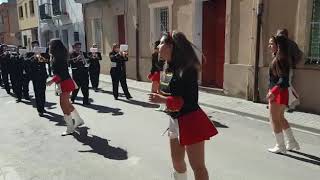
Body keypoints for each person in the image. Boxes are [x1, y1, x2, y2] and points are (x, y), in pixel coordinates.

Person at [149, 32, 218, 180]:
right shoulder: (168, 66)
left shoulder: (187, 69)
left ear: (171, 46)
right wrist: (160, 92)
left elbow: (188, 101)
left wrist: (162, 99)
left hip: (190, 120)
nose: (158, 47)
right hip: (174, 120)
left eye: (161, 43)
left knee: (198, 167)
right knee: (177, 162)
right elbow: (170, 92)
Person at [266, 35, 300, 154]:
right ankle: (291, 142)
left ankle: (280, 146)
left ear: (278, 46)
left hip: (278, 93)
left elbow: (283, 80)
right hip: (281, 93)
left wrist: (272, 92)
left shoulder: (280, 59)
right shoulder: (281, 57)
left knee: (274, 119)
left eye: (271, 44)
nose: (269, 46)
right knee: (280, 118)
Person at [47, 39, 84, 136]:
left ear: (54, 47)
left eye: (50, 45)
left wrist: (51, 81)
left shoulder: (57, 58)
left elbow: (61, 73)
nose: (49, 47)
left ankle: (70, 128)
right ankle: (78, 120)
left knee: (63, 105)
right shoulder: (59, 56)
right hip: (66, 82)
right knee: (66, 103)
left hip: (65, 83)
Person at [276, 28, 302, 112]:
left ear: (285, 35)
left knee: (287, 85)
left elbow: (298, 55)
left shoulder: (291, 44)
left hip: (287, 68)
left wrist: (292, 63)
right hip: (279, 68)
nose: (278, 36)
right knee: (281, 86)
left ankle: (293, 103)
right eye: (277, 34)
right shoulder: (278, 43)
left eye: (279, 34)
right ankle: (281, 104)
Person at [26, 41, 49, 116]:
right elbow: (27, 63)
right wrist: (34, 57)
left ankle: (42, 107)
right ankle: (39, 109)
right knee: (37, 92)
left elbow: (47, 61)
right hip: (34, 76)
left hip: (42, 75)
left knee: (42, 92)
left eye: (37, 46)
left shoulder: (44, 53)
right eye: (34, 46)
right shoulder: (30, 54)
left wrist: (40, 56)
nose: (36, 47)